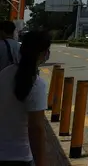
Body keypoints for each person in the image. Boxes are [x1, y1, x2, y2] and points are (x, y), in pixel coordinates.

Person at [0, 31, 51, 166]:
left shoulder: (4, 74)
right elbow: (36, 128)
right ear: (44, 53)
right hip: (20, 156)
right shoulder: (36, 84)